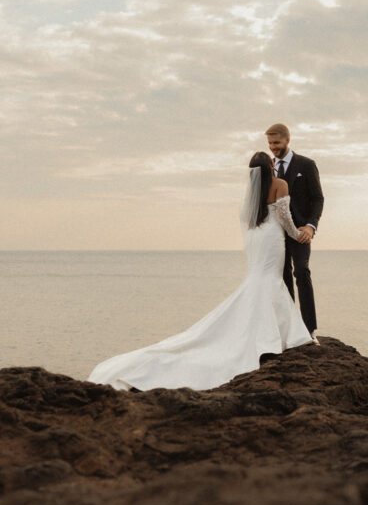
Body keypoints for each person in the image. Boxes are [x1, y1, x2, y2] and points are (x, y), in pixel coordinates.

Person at [87, 152, 314, 391]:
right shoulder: (280, 184)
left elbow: (247, 218)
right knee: (270, 279)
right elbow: (285, 217)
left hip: (255, 238)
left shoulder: (252, 189)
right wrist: (298, 235)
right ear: (270, 166)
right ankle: (276, 334)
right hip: (271, 237)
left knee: (259, 278)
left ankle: (271, 330)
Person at [265, 123, 323, 335]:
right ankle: (290, 327)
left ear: (288, 140)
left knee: (301, 270)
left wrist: (310, 226)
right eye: (270, 143)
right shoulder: (268, 167)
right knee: (282, 277)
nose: (273, 147)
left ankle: (309, 330)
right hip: (276, 234)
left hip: (300, 232)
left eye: (277, 142)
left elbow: (318, 198)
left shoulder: (307, 165)